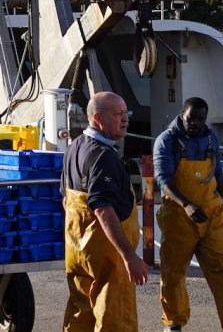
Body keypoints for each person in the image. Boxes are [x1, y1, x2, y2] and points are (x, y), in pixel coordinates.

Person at [154, 97, 223, 332]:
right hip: (178, 216)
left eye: (201, 119)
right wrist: (187, 205)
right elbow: (163, 180)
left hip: (212, 214)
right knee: (174, 271)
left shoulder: (210, 138)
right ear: (182, 114)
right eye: (191, 117)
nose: (196, 123)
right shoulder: (166, 141)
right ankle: (173, 322)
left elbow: (218, 175)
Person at [61, 91, 149, 331]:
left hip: (76, 248)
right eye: (118, 114)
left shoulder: (74, 147)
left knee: (81, 316)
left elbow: (66, 199)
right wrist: (129, 256)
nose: (125, 119)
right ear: (98, 118)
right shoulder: (104, 156)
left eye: (125, 113)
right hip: (106, 255)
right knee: (115, 318)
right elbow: (102, 208)